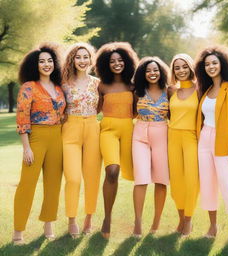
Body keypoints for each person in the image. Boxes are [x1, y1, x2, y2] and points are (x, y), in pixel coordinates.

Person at [13, 44, 66, 244]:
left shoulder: (59, 87)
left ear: (54, 63)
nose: (46, 64)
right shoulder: (28, 87)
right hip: (35, 137)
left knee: (53, 184)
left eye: (49, 60)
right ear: (35, 65)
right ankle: (18, 230)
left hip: (57, 137)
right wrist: (26, 147)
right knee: (27, 185)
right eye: (41, 61)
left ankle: (48, 225)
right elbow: (22, 117)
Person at [195, 45, 228, 242]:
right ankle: (213, 227)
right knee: (207, 184)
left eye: (214, 63)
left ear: (222, 64)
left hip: (224, 141)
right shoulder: (205, 90)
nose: (211, 66)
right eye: (207, 64)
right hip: (204, 139)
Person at [95, 42, 138, 239]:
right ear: (106, 64)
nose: (117, 63)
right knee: (112, 171)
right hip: (108, 131)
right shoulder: (101, 86)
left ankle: (138, 222)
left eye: (120, 60)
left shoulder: (133, 85)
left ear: (127, 62)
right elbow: (94, 110)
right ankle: (107, 218)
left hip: (129, 131)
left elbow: (138, 111)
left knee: (138, 176)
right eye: (112, 61)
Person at [61, 43, 102, 237]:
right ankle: (71, 219)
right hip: (71, 130)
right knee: (73, 178)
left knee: (92, 178)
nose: (82, 60)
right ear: (72, 60)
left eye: (86, 57)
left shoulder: (97, 83)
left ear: (90, 59)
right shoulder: (64, 83)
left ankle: (88, 218)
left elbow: (101, 105)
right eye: (78, 57)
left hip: (93, 128)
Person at [132, 57, 169, 238]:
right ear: (143, 73)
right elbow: (130, 112)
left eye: (155, 70)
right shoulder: (137, 91)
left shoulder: (169, 91)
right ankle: (137, 222)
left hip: (162, 133)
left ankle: (155, 224)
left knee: (161, 180)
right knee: (141, 179)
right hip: (140, 134)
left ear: (161, 72)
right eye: (148, 70)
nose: (152, 73)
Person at [168, 54, 199, 236]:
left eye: (184, 66)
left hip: (191, 139)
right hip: (172, 138)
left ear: (190, 67)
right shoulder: (171, 90)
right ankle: (181, 218)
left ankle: (188, 219)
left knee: (192, 180)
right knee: (177, 182)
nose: (181, 70)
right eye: (177, 68)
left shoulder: (200, 89)